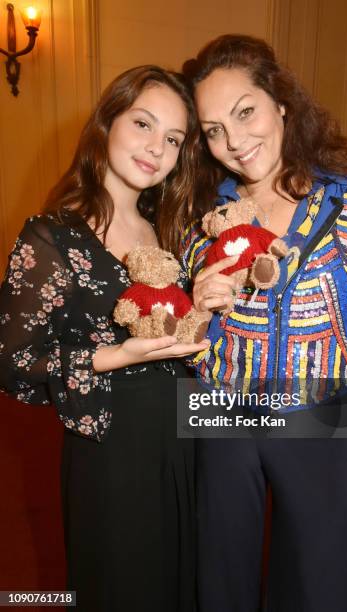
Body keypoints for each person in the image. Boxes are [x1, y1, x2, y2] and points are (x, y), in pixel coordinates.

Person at [180, 35, 347, 612]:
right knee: (219, 573)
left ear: (281, 102)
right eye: (213, 130)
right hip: (222, 408)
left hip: (321, 406)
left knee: (314, 582)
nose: (234, 142)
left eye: (245, 112)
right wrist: (198, 312)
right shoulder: (207, 220)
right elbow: (181, 342)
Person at [0, 66, 210, 611]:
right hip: (112, 443)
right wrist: (117, 354)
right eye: (142, 123)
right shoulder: (51, 234)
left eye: (172, 139)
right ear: (106, 123)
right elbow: (13, 360)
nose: (155, 148)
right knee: (121, 585)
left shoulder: (169, 230)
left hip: (185, 431)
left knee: (180, 581)